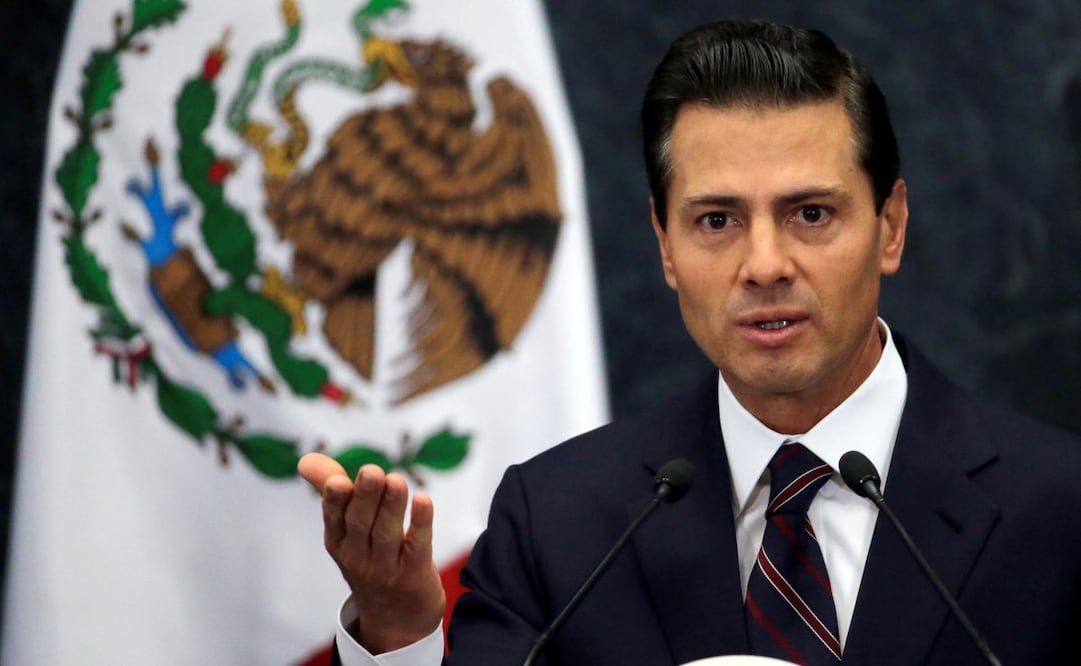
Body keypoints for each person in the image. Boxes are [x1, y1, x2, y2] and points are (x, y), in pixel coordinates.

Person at [299, 18, 1081, 665]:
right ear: (665, 247)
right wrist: (398, 634)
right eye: (716, 221)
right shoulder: (560, 520)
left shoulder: (1057, 509)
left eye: (811, 214)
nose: (764, 265)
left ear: (891, 226)